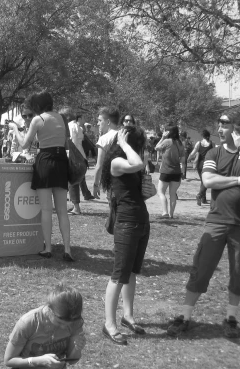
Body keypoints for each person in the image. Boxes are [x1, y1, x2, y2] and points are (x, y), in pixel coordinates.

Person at [166, 110, 240, 338]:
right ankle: (185, 316)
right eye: (219, 124)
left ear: (237, 128)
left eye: (224, 124)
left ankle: (231, 318)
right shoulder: (214, 152)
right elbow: (208, 180)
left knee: (239, 272)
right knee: (201, 268)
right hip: (217, 221)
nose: (219, 129)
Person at [99, 127, 149, 345]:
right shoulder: (117, 162)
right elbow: (138, 163)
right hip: (126, 224)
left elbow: (142, 164)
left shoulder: (131, 159)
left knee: (131, 272)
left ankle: (127, 315)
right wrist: (125, 143)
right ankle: (109, 324)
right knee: (119, 274)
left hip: (141, 221)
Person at [21, 92, 73, 261]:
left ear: (37, 105)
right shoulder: (60, 118)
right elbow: (61, 139)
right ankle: (67, 249)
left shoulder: (38, 119)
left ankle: (48, 248)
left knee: (46, 209)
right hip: (61, 162)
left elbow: (24, 144)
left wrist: (15, 129)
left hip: (45, 160)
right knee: (62, 211)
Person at [4, 283, 85, 367]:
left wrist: (77, 348)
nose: (64, 327)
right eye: (59, 322)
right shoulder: (28, 322)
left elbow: (71, 361)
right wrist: (38, 361)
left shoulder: (75, 321)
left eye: (68, 324)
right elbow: (9, 360)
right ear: (49, 309)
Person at [64, 108, 94, 215]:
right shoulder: (77, 127)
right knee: (75, 181)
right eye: (84, 117)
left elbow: (71, 143)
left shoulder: (72, 126)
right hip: (80, 157)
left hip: (75, 157)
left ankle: (76, 207)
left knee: (72, 182)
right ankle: (76, 204)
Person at [155, 123, 185, 218]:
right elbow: (183, 159)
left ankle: (165, 212)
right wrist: (182, 171)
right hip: (176, 172)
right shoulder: (180, 144)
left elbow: (156, 148)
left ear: (168, 132)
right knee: (172, 194)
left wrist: (162, 138)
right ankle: (171, 214)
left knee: (161, 192)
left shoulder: (167, 141)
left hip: (165, 171)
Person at [92, 107, 121, 199]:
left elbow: (99, 166)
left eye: (100, 120)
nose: (98, 123)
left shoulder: (104, 139)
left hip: (112, 181)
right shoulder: (126, 135)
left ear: (108, 122)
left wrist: (96, 185)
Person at [188, 130, 215, 206]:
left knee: (203, 181)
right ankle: (199, 195)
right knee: (205, 181)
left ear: (202, 136)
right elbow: (215, 153)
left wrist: (188, 159)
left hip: (200, 164)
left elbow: (193, 153)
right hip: (209, 164)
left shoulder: (199, 143)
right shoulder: (212, 143)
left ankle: (203, 199)